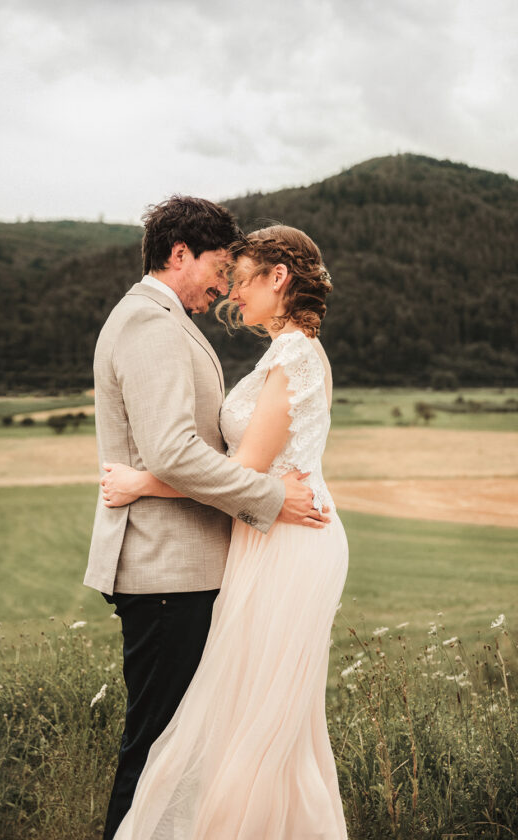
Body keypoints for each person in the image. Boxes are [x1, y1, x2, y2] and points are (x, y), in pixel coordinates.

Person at [83, 198, 329, 840]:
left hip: (191, 563)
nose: (224, 286)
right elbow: (172, 450)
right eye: (220, 268)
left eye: (236, 274)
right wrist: (271, 498)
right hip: (167, 568)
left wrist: (149, 477)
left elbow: (183, 454)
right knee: (160, 748)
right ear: (179, 254)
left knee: (183, 742)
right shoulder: (151, 324)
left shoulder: (163, 320)